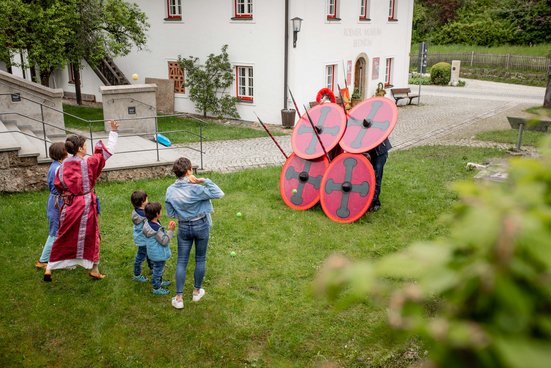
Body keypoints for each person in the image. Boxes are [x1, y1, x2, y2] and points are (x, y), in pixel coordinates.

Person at [43, 120, 119, 282]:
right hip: (85, 204)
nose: (87, 148)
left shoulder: (62, 166)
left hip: (69, 205)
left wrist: (68, 194)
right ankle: (94, 269)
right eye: (84, 145)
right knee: (93, 235)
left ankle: (49, 268)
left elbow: (58, 185)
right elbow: (108, 152)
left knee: (64, 234)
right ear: (79, 148)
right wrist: (113, 131)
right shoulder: (89, 163)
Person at [165, 157, 224, 310]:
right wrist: (203, 180)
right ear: (189, 171)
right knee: (200, 258)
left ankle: (178, 298)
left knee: (182, 261)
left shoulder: (170, 191)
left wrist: (183, 213)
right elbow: (219, 193)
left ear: (176, 173)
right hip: (201, 226)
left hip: (184, 227)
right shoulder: (197, 189)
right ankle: (197, 292)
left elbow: (171, 213)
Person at [35, 142, 68, 269]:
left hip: (55, 200)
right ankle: (43, 260)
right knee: (54, 232)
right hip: (56, 203)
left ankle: (60, 257)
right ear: (62, 153)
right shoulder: (57, 168)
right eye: (66, 151)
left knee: (59, 230)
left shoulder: (56, 165)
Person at [143, 202, 175, 295]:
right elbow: (164, 241)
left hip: (153, 252)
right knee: (158, 270)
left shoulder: (147, 223)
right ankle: (156, 288)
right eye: (160, 210)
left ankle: (159, 282)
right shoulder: (156, 229)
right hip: (158, 254)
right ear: (157, 214)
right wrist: (170, 231)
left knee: (158, 268)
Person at [131, 190, 152, 282]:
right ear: (142, 202)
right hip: (143, 240)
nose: (148, 200)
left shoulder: (136, 211)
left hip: (142, 238)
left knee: (149, 254)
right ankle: (137, 274)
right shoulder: (144, 215)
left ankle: (152, 268)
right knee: (140, 256)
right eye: (146, 199)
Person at [366, 137, 391, 212]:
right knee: (367, 177)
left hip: (379, 152)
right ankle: (369, 200)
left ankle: (374, 203)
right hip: (367, 152)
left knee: (377, 177)